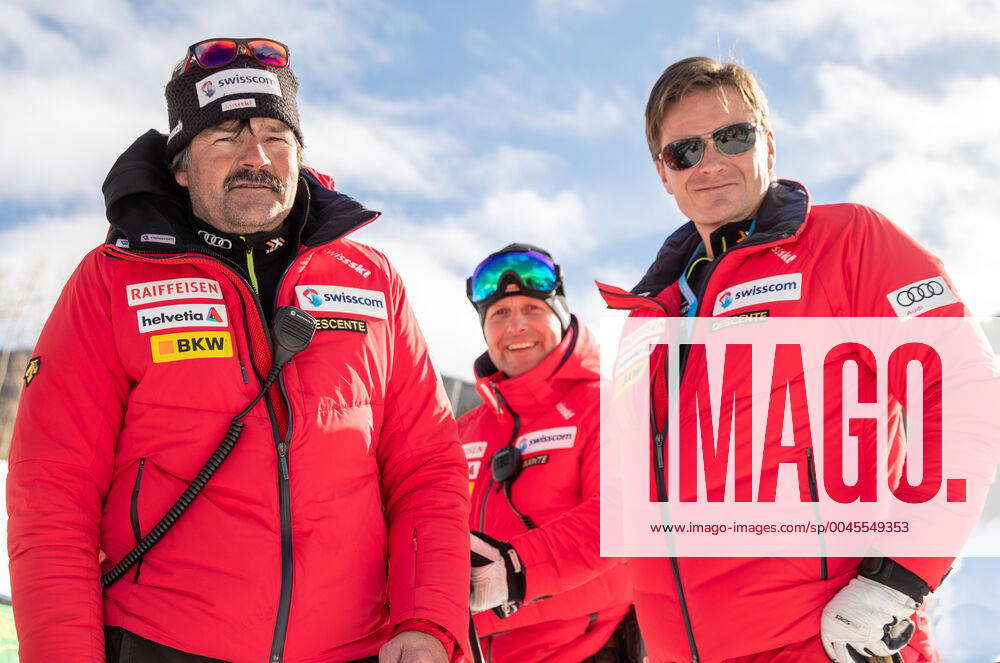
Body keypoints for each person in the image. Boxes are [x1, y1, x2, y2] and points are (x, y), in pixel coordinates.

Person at [7, 38, 469, 663]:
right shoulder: (111, 281)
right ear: (179, 164)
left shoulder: (370, 279)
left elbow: (427, 468)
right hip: (160, 644)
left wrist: (430, 620)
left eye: (277, 136)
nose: (256, 156)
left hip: (353, 649)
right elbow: (53, 491)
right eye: (225, 135)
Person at [596, 57, 973, 663]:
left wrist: (902, 576)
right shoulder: (648, 320)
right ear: (663, 175)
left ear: (767, 142)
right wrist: (516, 570)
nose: (711, 162)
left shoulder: (850, 242)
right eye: (684, 151)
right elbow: (618, 501)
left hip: (825, 642)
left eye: (732, 136)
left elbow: (963, 390)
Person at [459, 244, 635, 663]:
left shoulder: (610, 405)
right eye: (499, 314)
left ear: (562, 315)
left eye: (533, 310)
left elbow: (619, 518)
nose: (516, 326)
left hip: (582, 651)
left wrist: (514, 569)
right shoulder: (461, 430)